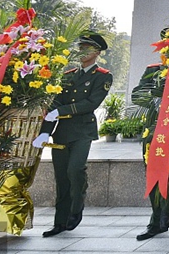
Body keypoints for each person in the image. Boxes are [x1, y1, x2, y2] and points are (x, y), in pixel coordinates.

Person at [33, 32, 113, 237]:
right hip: (62, 133)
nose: (81, 51)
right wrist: (44, 133)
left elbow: (90, 104)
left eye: (86, 48)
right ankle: (60, 222)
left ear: (96, 52)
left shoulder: (103, 76)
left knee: (75, 170)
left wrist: (60, 111)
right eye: (80, 47)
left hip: (82, 131)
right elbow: (55, 104)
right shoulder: (68, 75)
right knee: (61, 177)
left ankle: (77, 206)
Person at [132, 28, 169, 241]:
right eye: (165, 46)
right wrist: (156, 100)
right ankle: (157, 219)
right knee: (154, 177)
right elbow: (137, 95)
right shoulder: (153, 70)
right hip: (154, 132)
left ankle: (165, 214)